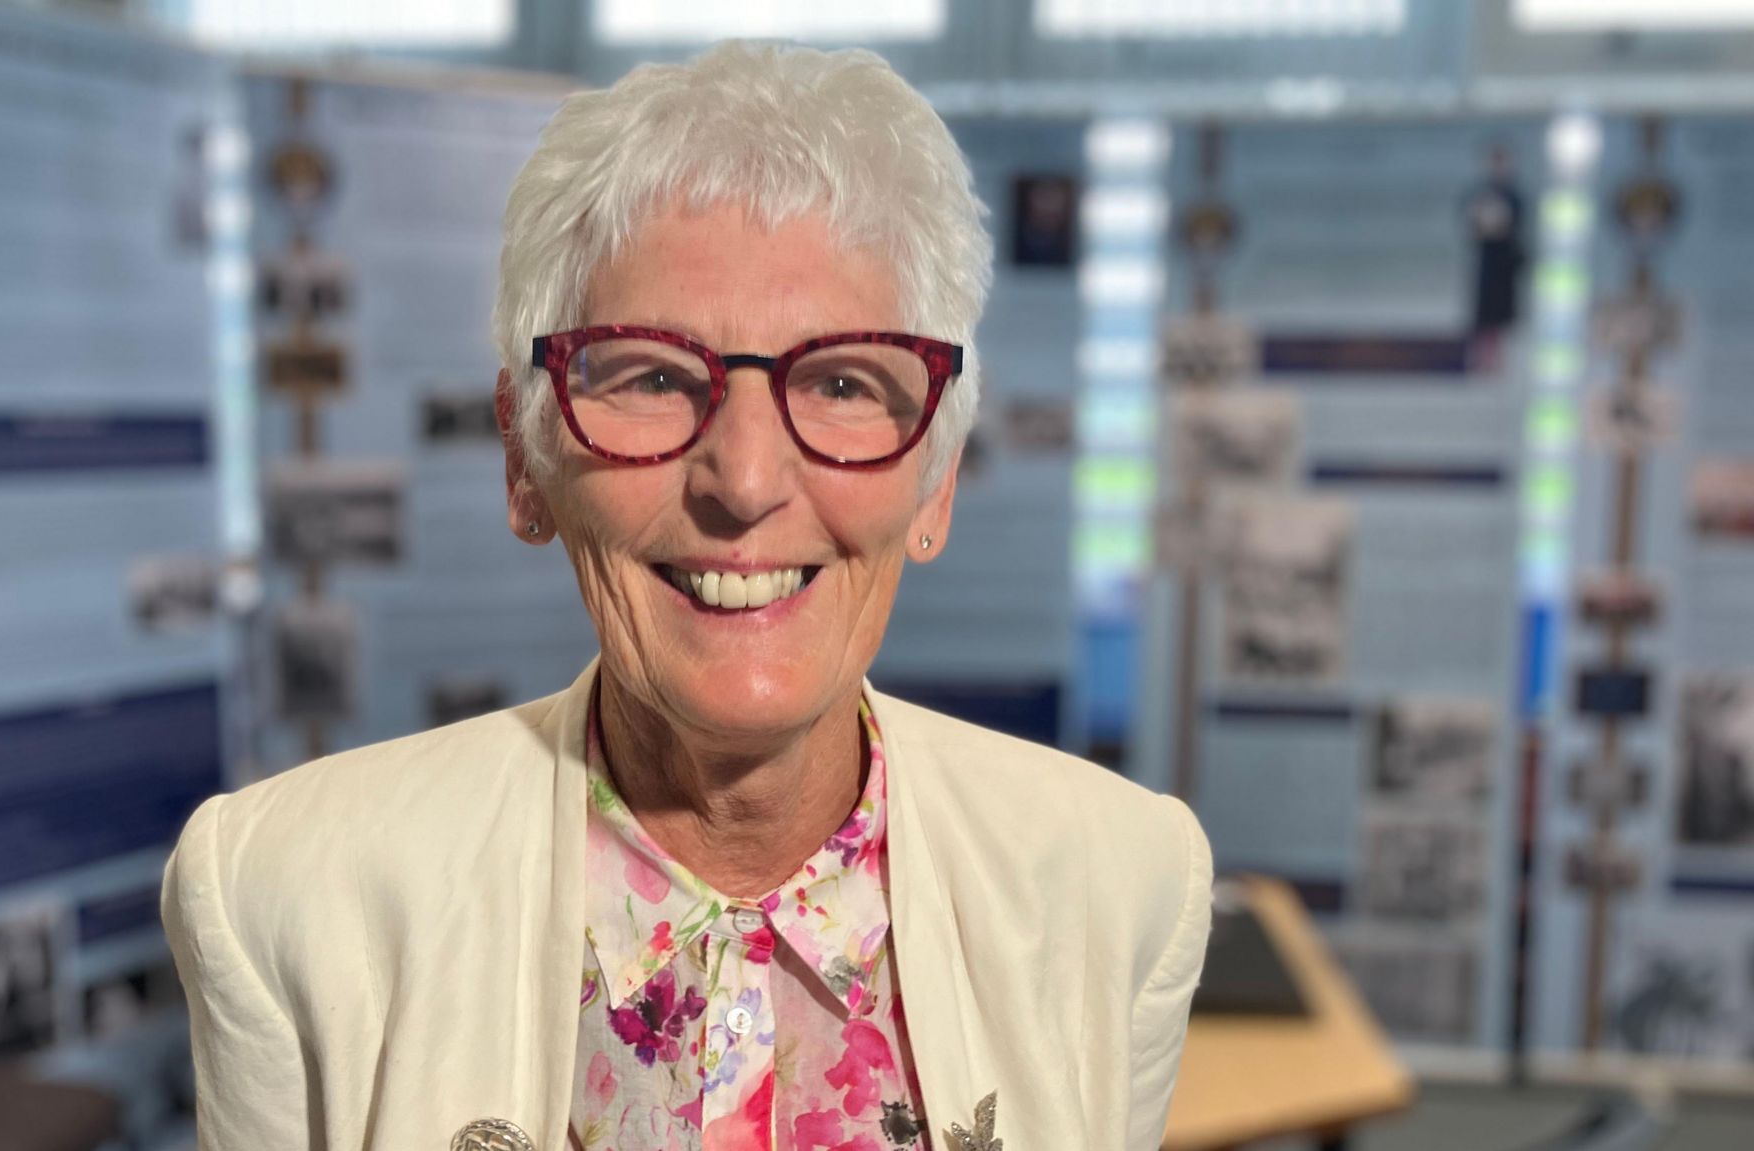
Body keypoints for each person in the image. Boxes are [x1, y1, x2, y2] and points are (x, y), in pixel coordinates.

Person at [164, 42, 1211, 1151]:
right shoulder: (288, 900)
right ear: (526, 462)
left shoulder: (1121, 883)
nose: (745, 481)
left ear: (934, 479)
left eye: (843, 380)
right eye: (652, 376)